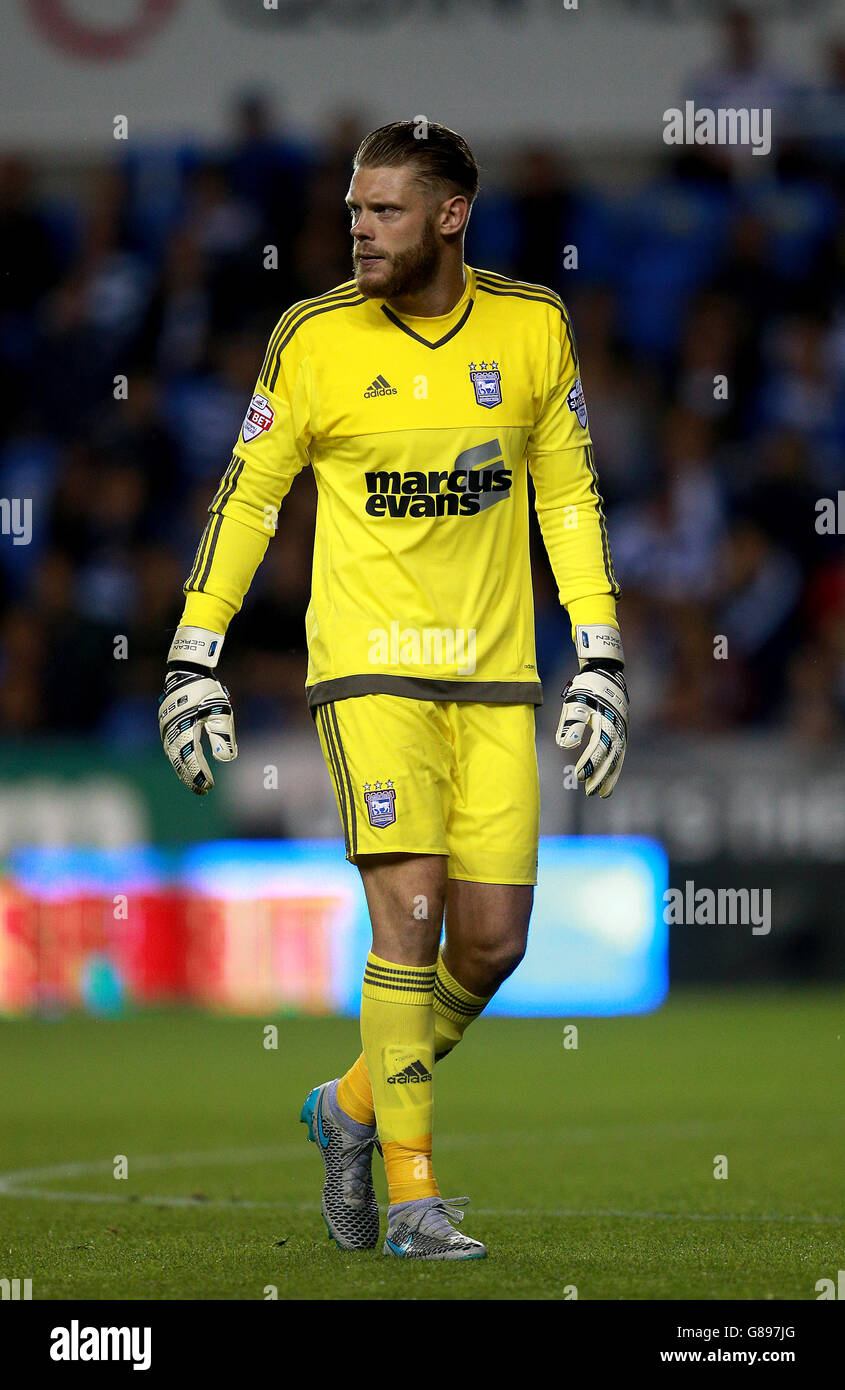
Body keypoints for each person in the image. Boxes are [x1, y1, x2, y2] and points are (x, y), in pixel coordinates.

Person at [158, 121, 628, 1260]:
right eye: (354, 211)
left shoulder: (528, 328)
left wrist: (601, 653)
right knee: (406, 921)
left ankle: (348, 1106)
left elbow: (566, 496)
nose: (357, 230)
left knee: (493, 942)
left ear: (451, 214)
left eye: (384, 212)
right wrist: (192, 651)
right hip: (366, 670)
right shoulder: (311, 337)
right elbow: (248, 498)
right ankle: (413, 1198)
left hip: (496, 677)